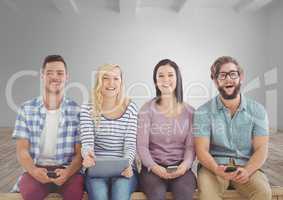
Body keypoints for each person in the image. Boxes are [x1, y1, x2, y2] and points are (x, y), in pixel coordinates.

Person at [193, 56, 272, 200]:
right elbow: (201, 150)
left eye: (232, 74)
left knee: (263, 192)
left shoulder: (258, 110)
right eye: (222, 75)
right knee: (207, 196)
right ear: (215, 81)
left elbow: (261, 149)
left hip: (247, 166)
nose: (228, 79)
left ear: (241, 77)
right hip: (213, 168)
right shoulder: (202, 112)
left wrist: (247, 170)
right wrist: (217, 169)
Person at [12, 55, 84, 200]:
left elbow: (79, 154)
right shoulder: (26, 109)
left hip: (67, 171)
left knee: (74, 193)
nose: (55, 77)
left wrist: (68, 172)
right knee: (31, 193)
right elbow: (22, 150)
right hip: (37, 169)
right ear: (42, 75)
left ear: (67, 77)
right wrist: (33, 170)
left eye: (60, 73)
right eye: (50, 73)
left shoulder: (77, 111)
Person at [137, 59, 196, 200]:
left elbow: (190, 147)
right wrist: (155, 167)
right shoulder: (146, 109)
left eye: (170, 75)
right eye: (161, 76)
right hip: (152, 169)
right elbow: (142, 146)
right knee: (156, 194)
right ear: (155, 81)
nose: (166, 80)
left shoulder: (190, 112)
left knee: (184, 195)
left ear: (177, 78)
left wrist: (184, 166)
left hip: (181, 168)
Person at [80, 64, 138, 200]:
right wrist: (87, 155)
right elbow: (87, 143)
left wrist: (128, 164)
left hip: (125, 170)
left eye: (116, 79)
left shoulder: (130, 108)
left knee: (120, 194)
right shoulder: (88, 108)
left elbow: (130, 144)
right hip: (96, 169)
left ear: (121, 82)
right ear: (99, 81)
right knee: (99, 196)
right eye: (106, 78)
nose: (111, 83)